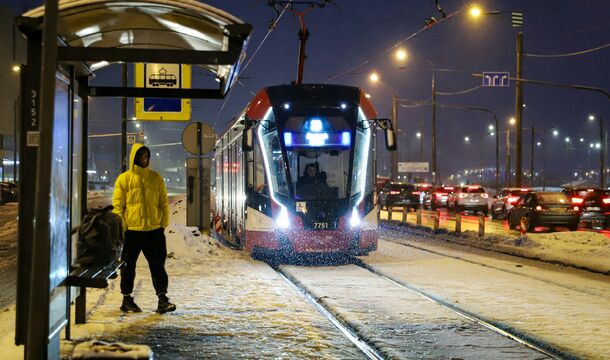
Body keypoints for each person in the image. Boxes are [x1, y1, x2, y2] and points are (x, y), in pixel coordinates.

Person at [112, 143, 176, 314]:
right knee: (128, 267)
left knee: (158, 266)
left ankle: (162, 299)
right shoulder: (124, 179)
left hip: (154, 231)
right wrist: (123, 226)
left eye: (146, 156)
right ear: (135, 158)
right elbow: (118, 206)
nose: (144, 159)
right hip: (132, 232)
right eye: (141, 156)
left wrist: (162, 225)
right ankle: (127, 299)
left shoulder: (156, 178)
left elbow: (163, 204)